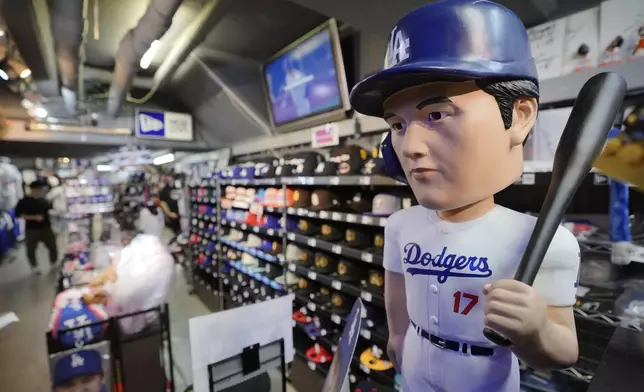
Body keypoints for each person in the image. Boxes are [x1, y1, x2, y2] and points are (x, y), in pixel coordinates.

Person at [349, 1, 580, 391]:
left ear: (520, 115)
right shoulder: (401, 224)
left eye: (436, 115)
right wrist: (398, 337)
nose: (410, 147)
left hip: (484, 377)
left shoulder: (547, 242)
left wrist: (537, 330)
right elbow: (396, 294)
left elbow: (564, 354)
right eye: (397, 124)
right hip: (416, 365)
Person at [15, 180, 58, 274]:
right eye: (38, 189)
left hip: (46, 228)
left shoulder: (43, 200)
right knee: (31, 249)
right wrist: (34, 218)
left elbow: (49, 211)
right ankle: (34, 267)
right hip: (31, 229)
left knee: (52, 246)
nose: (39, 191)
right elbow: (19, 215)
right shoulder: (23, 202)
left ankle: (54, 262)